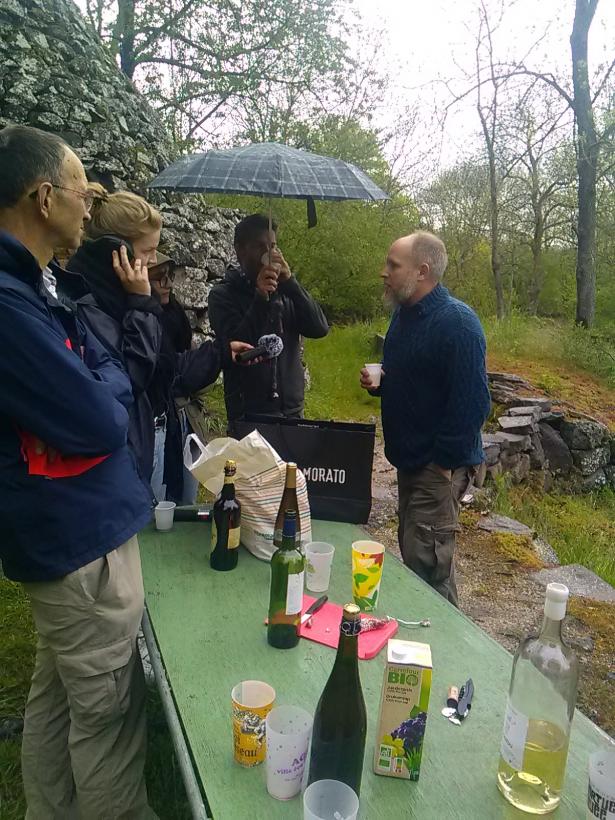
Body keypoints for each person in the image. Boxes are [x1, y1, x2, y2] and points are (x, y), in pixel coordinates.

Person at [0, 125, 156, 816]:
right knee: (107, 713)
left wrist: (102, 382)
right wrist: (104, 385)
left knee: (60, 693)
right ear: (42, 197)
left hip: (69, 531)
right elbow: (99, 418)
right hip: (79, 538)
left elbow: (104, 376)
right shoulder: (8, 303)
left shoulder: (34, 285)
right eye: (79, 191)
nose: (87, 209)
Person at [65, 186, 252, 501]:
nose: (153, 262)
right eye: (147, 251)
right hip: (114, 460)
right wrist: (141, 304)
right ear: (118, 251)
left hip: (149, 435)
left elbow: (165, 367)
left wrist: (220, 352)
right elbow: (132, 378)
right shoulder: (88, 306)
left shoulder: (131, 298)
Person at [360, 231, 490, 607]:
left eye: (392, 265)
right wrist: (382, 380)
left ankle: (445, 651)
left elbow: (474, 404)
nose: (384, 273)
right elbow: (417, 376)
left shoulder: (458, 325)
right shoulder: (405, 316)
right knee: (415, 553)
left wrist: (442, 465)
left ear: (422, 271)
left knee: (429, 567)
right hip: (411, 460)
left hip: (437, 467)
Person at [208, 213, 329, 422]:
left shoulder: (286, 290)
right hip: (249, 413)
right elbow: (236, 348)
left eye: (273, 246)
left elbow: (319, 328)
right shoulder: (223, 295)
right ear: (239, 250)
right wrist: (260, 299)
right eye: (260, 246)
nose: (269, 254)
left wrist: (291, 283)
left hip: (292, 411)